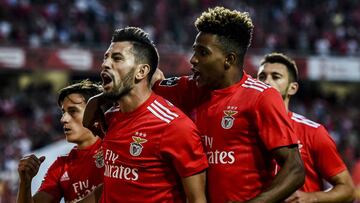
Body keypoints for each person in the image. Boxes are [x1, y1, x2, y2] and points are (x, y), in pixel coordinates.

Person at [150, 6, 306, 203]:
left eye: (203, 53)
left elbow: (295, 169)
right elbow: (145, 84)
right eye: (194, 51)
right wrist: (98, 100)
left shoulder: (261, 97)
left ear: (229, 59)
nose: (193, 60)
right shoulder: (189, 88)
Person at [82, 26, 208, 203]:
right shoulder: (111, 118)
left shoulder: (173, 127)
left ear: (141, 72)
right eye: (106, 57)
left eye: (117, 58)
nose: (105, 64)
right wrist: (97, 99)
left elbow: (197, 200)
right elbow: (114, 185)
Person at [257, 52, 355, 203]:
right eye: (262, 77)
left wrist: (312, 197)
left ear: (292, 88)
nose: (266, 82)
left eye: (275, 77)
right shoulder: (244, 130)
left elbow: (347, 189)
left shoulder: (313, 132)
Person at [17, 80, 104, 203]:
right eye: (63, 112)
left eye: (73, 111)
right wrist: (25, 183)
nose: (63, 119)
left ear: (95, 113)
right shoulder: (61, 165)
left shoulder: (116, 151)